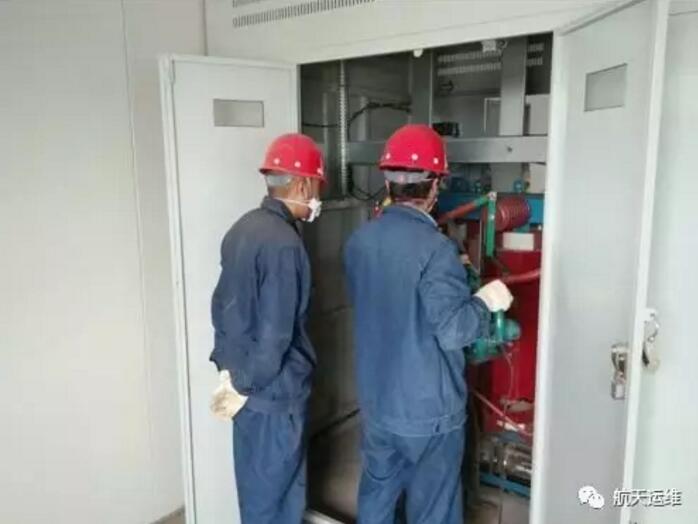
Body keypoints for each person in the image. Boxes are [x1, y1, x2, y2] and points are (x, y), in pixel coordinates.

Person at [344, 124, 513, 524]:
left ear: (388, 182)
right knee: (433, 508)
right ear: (435, 185)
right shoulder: (437, 250)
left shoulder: (358, 242)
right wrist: (483, 302)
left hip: (378, 402)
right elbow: (455, 331)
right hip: (428, 412)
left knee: (378, 496)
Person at [210, 133, 325, 524]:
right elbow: (276, 334)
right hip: (273, 397)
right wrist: (250, 383)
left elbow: (221, 306)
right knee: (278, 502)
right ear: (302, 185)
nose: (317, 196)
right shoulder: (284, 244)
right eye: (317, 186)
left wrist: (231, 376)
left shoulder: (242, 228)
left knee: (256, 494)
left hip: (243, 390)